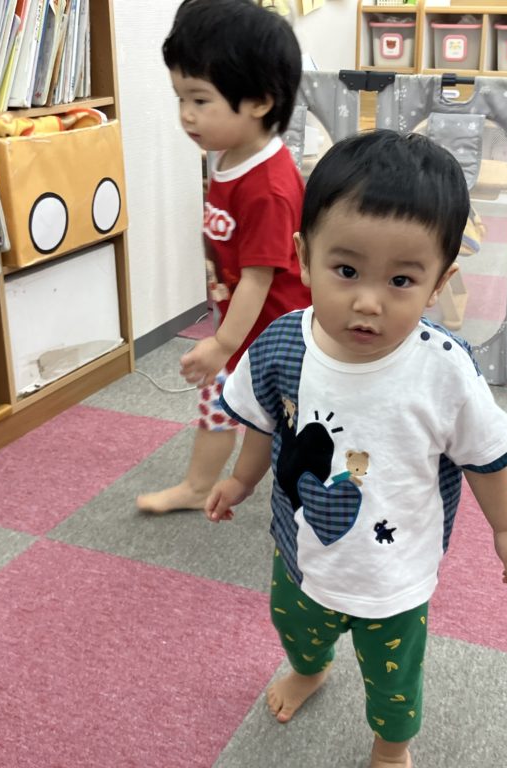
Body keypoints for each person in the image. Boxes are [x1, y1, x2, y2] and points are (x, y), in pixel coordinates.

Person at [205, 130, 507, 768]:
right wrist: (242, 480)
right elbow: (264, 422)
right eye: (346, 270)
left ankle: (391, 747)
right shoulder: (282, 343)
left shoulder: (443, 367)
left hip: (394, 574)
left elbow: (483, 455)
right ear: (304, 257)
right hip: (301, 547)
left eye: (402, 279)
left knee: (394, 679)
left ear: (439, 282)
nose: (367, 301)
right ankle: (310, 669)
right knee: (296, 627)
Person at [137, 0, 311, 514]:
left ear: (258, 101)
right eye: (180, 98)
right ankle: (198, 486)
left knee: (283, 421)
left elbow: (259, 279)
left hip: (276, 335)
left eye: (200, 99)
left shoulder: (269, 187)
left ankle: (312, 495)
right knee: (217, 407)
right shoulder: (229, 156)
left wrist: (222, 344)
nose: (186, 114)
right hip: (239, 324)